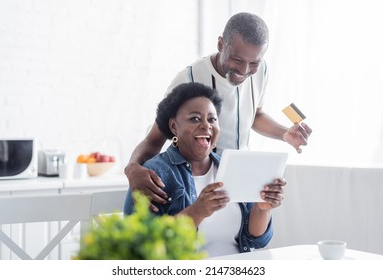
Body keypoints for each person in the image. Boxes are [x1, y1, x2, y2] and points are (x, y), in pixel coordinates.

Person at [125, 12, 312, 211]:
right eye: (237, 60)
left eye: (254, 63)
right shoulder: (188, 79)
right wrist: (132, 168)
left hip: (240, 176)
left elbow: (255, 115)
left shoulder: (261, 70)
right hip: (198, 181)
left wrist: (284, 134)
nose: (245, 70)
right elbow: (154, 139)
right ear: (221, 44)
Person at [124, 82, 286, 257]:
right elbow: (142, 248)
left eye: (212, 119)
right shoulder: (154, 174)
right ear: (173, 127)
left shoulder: (234, 166)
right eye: (194, 118)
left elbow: (255, 239)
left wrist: (262, 208)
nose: (206, 125)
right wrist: (196, 212)